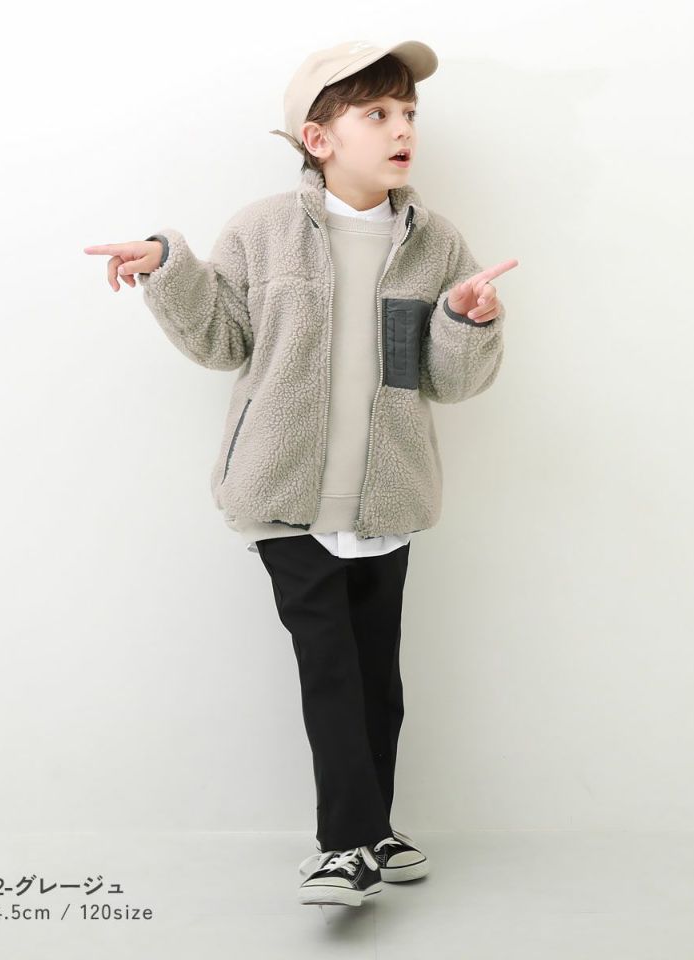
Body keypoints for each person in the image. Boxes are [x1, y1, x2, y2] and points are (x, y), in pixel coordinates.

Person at [84, 38, 518, 909]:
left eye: (409, 113)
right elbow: (224, 340)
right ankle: (345, 844)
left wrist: (467, 321)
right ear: (319, 139)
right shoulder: (263, 230)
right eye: (377, 113)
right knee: (330, 666)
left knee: (377, 676)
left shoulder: (434, 243)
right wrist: (169, 266)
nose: (403, 129)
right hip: (285, 497)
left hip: (387, 495)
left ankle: (375, 830)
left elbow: (443, 381)